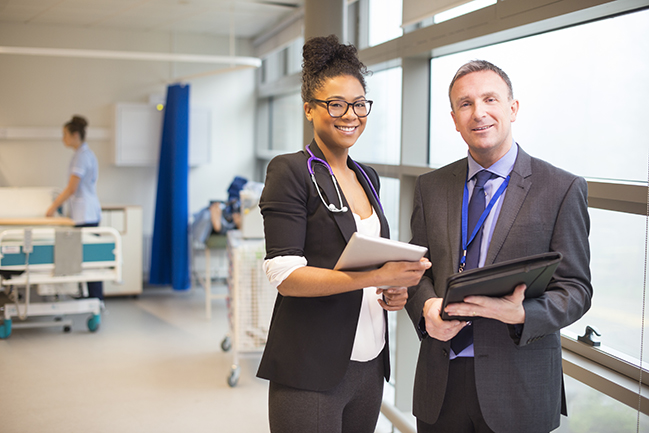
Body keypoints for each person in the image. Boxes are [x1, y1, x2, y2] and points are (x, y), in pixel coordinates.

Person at [405, 60, 592, 433]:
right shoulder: (431, 186)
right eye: (465, 103)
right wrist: (426, 305)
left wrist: (521, 313)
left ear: (512, 108)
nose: (479, 113)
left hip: (518, 386)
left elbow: (576, 289)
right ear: (455, 119)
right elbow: (417, 268)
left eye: (490, 99)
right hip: (441, 382)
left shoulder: (560, 188)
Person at [256, 34, 431, 433]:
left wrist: (392, 289)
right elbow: (285, 276)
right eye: (335, 104)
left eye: (358, 104)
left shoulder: (366, 176)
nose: (349, 114)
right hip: (311, 368)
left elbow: (366, 257)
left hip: (369, 364)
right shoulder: (290, 172)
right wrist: (376, 277)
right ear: (309, 109)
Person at [46, 115, 103, 301]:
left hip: (85, 214)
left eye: (65, 134)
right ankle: (90, 296)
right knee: (85, 257)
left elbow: (72, 188)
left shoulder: (81, 157)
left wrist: (52, 207)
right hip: (84, 212)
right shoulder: (83, 154)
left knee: (90, 258)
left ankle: (95, 299)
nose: (63, 139)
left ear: (75, 135)